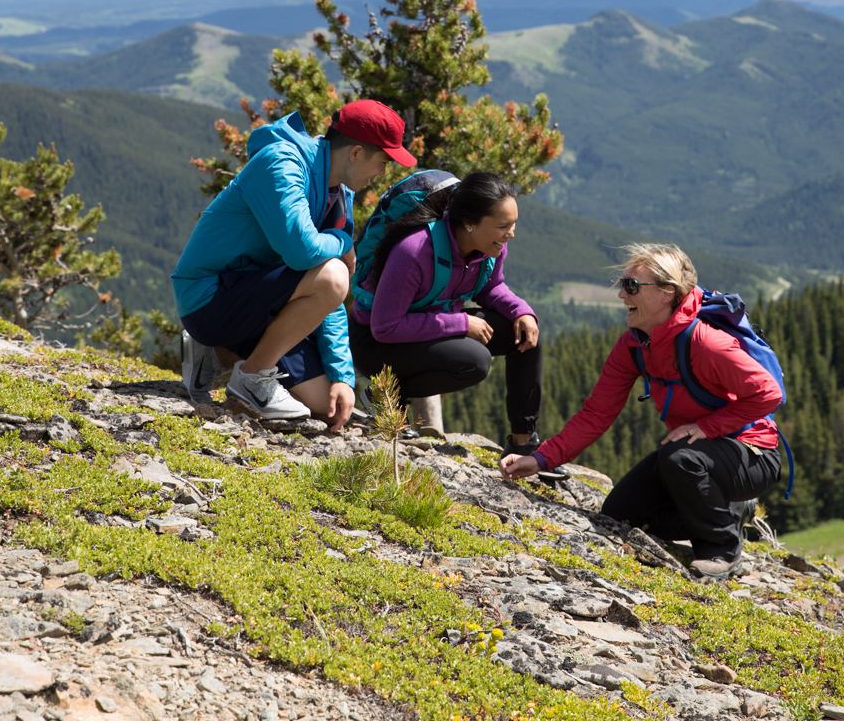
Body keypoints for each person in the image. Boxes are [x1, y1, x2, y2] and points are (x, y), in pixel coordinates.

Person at [499, 243, 782, 577]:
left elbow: (769, 393)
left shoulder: (705, 342)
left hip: (752, 454)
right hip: (695, 452)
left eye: (632, 286)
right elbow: (596, 414)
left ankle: (721, 548)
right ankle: (730, 509)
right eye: (623, 284)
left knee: (679, 459)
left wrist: (709, 427)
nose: (622, 295)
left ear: (666, 293)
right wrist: (541, 458)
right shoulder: (634, 345)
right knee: (621, 514)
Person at [171, 99, 415, 430]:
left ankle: (217, 357)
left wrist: (342, 375)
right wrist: (344, 244)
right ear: (356, 153)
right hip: (210, 298)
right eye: (384, 162)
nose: (383, 173)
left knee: (325, 405)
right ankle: (252, 377)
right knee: (333, 276)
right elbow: (305, 256)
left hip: (262, 299)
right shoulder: (281, 163)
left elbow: (327, 299)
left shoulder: (339, 192)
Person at [349, 172, 563, 477]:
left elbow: (490, 287)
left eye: (513, 224)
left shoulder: (489, 248)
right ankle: (384, 397)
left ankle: (523, 443)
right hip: (377, 344)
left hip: (425, 328)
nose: (511, 233)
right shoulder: (415, 251)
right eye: (503, 226)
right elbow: (385, 326)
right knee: (474, 362)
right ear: (470, 222)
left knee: (525, 334)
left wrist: (522, 312)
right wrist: (461, 323)